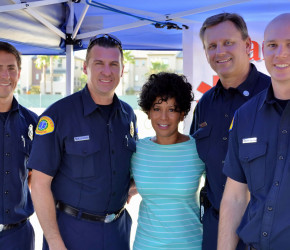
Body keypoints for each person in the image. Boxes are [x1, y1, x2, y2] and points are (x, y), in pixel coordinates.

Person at [28, 34, 138, 250]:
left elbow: (127, 169)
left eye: (113, 64)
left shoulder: (128, 115)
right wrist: (54, 242)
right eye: (99, 63)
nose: (107, 71)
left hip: (118, 233)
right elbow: (39, 185)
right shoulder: (58, 116)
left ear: (122, 70)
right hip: (71, 235)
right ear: (86, 68)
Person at [189, 13, 271, 249]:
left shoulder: (275, 97)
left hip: (263, 232)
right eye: (212, 46)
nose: (219, 51)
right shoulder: (205, 104)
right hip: (215, 229)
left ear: (247, 46)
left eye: (228, 43)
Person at [219, 13, 290, 250]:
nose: (281, 53)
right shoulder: (245, 116)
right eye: (273, 45)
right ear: (262, 50)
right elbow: (235, 198)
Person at [131, 72, 205, 249]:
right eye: (157, 109)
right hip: (145, 245)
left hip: (190, 245)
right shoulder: (137, 150)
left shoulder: (198, 149)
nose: (163, 117)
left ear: (182, 114)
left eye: (172, 109)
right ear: (148, 112)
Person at [0, 42, 38, 249]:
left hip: (19, 236)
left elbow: (33, 175)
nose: (5, 75)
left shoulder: (33, 123)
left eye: (10, 68)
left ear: (19, 73)